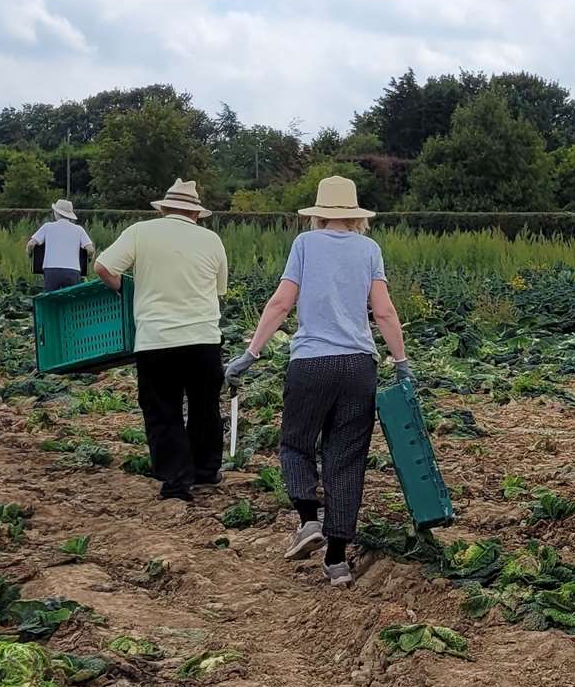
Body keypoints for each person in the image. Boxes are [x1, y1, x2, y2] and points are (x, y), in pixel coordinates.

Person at [223, 176, 410, 588]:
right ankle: (338, 561)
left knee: (296, 442)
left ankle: (309, 521)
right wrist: (401, 361)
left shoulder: (305, 245)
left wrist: (250, 354)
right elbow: (383, 311)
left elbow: (281, 303)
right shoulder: (370, 249)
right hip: (359, 366)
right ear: (355, 215)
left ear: (319, 213)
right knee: (346, 458)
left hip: (312, 363)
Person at [94, 179, 229, 503]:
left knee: (163, 410)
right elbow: (219, 289)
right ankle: (206, 472)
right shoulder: (211, 240)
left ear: (165, 209)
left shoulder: (141, 232)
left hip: (156, 340)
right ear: (196, 214)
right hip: (202, 338)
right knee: (204, 407)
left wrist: (126, 291)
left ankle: (177, 483)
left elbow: (102, 266)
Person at [26, 199, 95, 291]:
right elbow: (90, 249)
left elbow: (31, 244)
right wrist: (88, 259)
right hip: (73, 271)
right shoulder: (79, 229)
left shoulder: (47, 227)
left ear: (56, 213)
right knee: (71, 300)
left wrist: (30, 254)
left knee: (50, 300)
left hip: (51, 270)